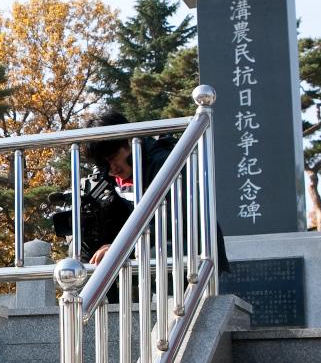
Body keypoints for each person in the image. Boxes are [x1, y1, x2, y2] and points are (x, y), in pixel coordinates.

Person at [57, 108, 227, 271]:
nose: (112, 169)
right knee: (82, 259)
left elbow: (172, 221)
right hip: (143, 244)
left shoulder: (165, 163)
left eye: (113, 158)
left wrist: (120, 246)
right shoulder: (106, 177)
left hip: (193, 248)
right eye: (104, 164)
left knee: (156, 253)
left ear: (129, 141)